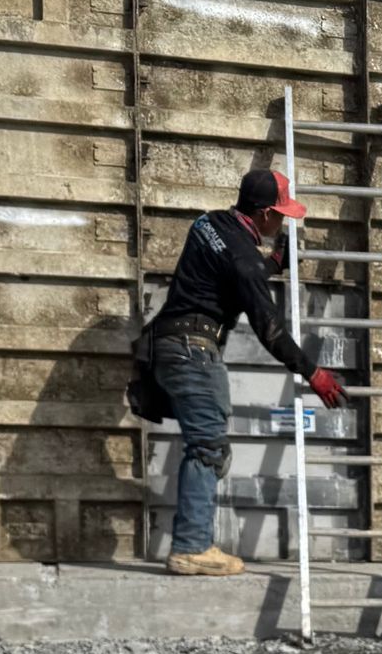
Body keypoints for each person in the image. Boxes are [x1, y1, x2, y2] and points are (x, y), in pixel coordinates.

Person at [144, 168, 346, 577]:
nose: (284, 221)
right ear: (265, 214)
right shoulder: (243, 260)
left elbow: (231, 271)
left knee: (205, 445)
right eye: (282, 214)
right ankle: (191, 547)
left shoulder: (208, 223)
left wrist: (270, 262)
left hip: (167, 345)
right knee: (207, 447)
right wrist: (314, 373)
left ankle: (193, 541)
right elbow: (269, 329)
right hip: (193, 352)